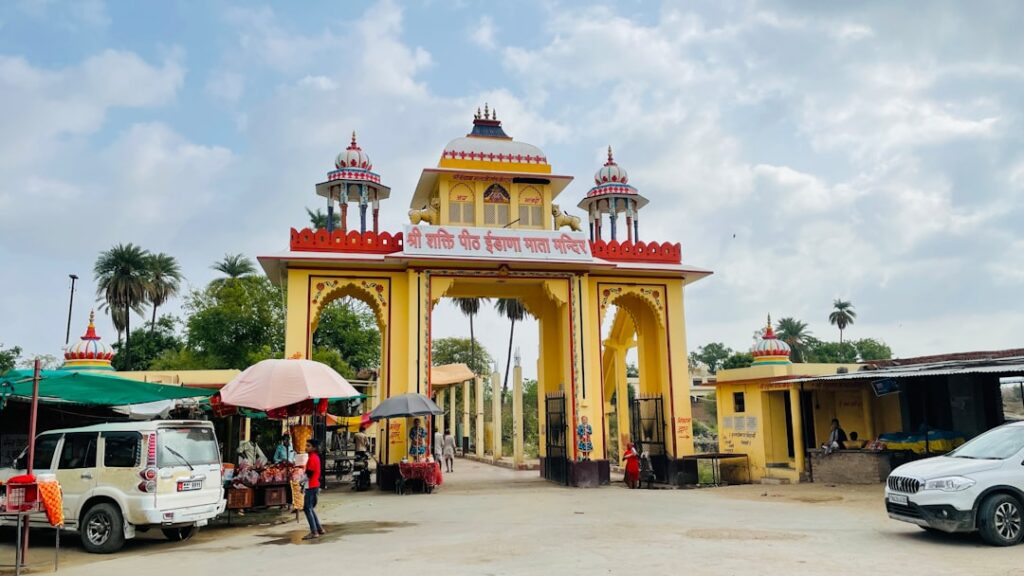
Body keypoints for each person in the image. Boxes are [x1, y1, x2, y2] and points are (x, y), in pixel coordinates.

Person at [302, 439, 325, 540]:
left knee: (307, 508)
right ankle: (319, 528)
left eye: (308, 446)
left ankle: (314, 531)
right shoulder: (315, 457)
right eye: (306, 445)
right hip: (314, 484)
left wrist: (300, 480)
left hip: (311, 485)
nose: (306, 447)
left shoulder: (312, 458)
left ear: (314, 448)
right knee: (310, 508)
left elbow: (309, 474)